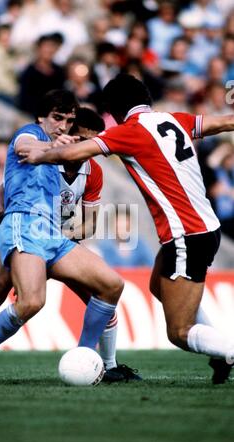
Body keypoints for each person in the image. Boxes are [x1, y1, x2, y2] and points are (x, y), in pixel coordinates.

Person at [20, 74, 234, 385]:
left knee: (179, 332)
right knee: (158, 287)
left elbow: (76, 153)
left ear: (116, 110)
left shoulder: (129, 132)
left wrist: (41, 153)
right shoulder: (173, 119)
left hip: (185, 234)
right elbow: (222, 121)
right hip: (203, 228)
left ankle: (225, 349)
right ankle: (219, 353)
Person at [0, 107, 140, 384]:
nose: (90, 148)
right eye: (84, 140)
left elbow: (89, 224)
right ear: (69, 136)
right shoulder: (46, 156)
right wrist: (3, 209)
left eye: (95, 142)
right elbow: (3, 188)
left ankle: (103, 364)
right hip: (27, 232)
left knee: (105, 293)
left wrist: (61, 233)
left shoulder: (93, 172)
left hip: (58, 240)